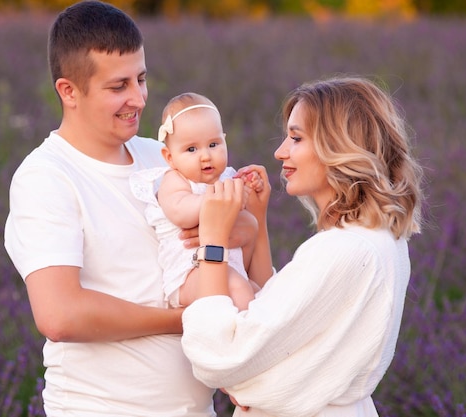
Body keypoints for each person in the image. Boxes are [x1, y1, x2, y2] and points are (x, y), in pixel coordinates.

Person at [4, 1, 255, 415]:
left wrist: (238, 222)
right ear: (69, 91)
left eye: (141, 79)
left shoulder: (163, 156)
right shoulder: (47, 177)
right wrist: (190, 317)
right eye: (118, 86)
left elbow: (237, 233)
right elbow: (60, 315)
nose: (138, 99)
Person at [180, 76, 424, 417]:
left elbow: (222, 358)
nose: (280, 152)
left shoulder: (342, 250)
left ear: (338, 146)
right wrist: (258, 220)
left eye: (296, 138)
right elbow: (277, 317)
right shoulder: (377, 240)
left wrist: (213, 242)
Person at [130, 92, 272, 310]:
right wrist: (216, 199)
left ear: (225, 140)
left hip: (229, 265)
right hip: (189, 272)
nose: (205, 156)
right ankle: (245, 339)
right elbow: (179, 211)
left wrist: (248, 189)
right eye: (192, 149)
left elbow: (247, 217)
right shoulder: (174, 180)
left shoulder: (226, 178)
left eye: (214, 145)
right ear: (169, 157)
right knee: (239, 289)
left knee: (260, 293)